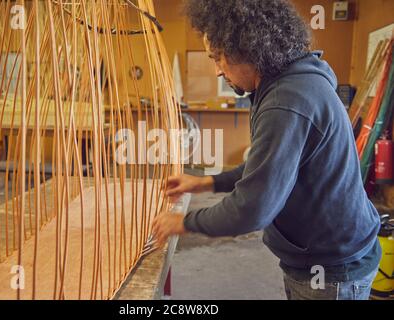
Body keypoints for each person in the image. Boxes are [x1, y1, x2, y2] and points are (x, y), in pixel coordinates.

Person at [152, 0, 381, 300]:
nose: (218, 70)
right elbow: (268, 170)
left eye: (218, 57)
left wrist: (184, 222)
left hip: (330, 267)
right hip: (322, 256)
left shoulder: (286, 100)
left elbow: (252, 208)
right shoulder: (289, 81)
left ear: (248, 48)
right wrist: (206, 182)